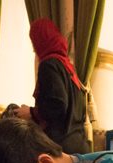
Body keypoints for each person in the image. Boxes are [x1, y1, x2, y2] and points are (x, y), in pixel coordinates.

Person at [13, 19, 88, 154]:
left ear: (41, 40)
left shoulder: (49, 64)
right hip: (80, 146)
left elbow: (57, 104)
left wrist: (30, 112)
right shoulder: (68, 68)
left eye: (34, 42)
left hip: (60, 148)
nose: (33, 48)